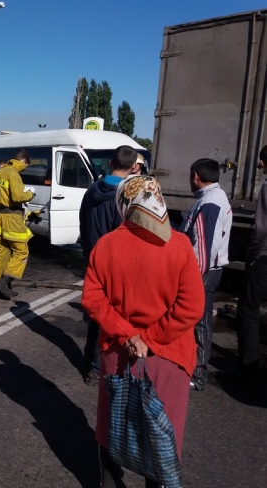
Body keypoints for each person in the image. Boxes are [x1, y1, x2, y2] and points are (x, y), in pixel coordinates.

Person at [81, 175, 204, 488]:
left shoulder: (106, 245)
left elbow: (93, 299)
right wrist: (150, 339)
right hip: (168, 355)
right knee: (161, 433)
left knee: (112, 426)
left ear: (124, 203)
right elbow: (191, 307)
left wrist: (128, 334)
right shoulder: (180, 245)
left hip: (118, 353)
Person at [78, 145, 138, 386]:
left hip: (93, 256)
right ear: (133, 167)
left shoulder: (92, 189)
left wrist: (87, 249)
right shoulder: (125, 196)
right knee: (114, 314)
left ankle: (91, 365)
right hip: (115, 261)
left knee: (96, 312)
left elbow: (82, 221)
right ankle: (104, 365)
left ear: (111, 162)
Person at [178, 158, 232, 391]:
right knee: (198, 319)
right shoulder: (213, 197)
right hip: (208, 270)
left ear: (196, 176)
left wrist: (193, 279)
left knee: (200, 321)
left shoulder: (209, 202)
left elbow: (202, 247)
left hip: (203, 273)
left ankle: (198, 374)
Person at [234, 144, 267, 380]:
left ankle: (248, 367)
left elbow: (261, 229)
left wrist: (252, 256)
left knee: (248, 309)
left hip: (264, 258)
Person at [0, 149, 35, 299]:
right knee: (21, 251)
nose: (25, 169)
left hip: (1, 217)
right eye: (26, 166)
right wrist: (30, 194)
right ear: (23, 161)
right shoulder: (13, 174)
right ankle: (4, 282)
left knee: (3, 252)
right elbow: (18, 197)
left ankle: (1, 285)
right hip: (12, 218)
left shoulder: (0, 173)